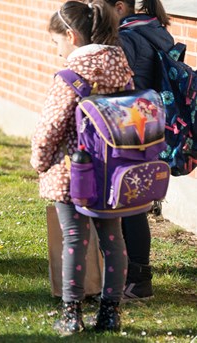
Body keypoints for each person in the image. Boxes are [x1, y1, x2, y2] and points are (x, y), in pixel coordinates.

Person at [31, 0, 131, 335]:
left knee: (74, 238)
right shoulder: (120, 66)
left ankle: (71, 314)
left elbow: (51, 126)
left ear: (72, 36)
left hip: (75, 172)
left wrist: (39, 160)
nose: (56, 48)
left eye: (56, 41)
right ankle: (110, 313)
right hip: (114, 172)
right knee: (113, 239)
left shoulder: (71, 74)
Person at [102, 0, 174, 302]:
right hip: (148, 126)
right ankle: (134, 274)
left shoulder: (127, 38)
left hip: (129, 127)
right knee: (135, 205)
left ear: (119, 7)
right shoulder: (155, 30)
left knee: (130, 208)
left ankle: (138, 279)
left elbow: (119, 86)